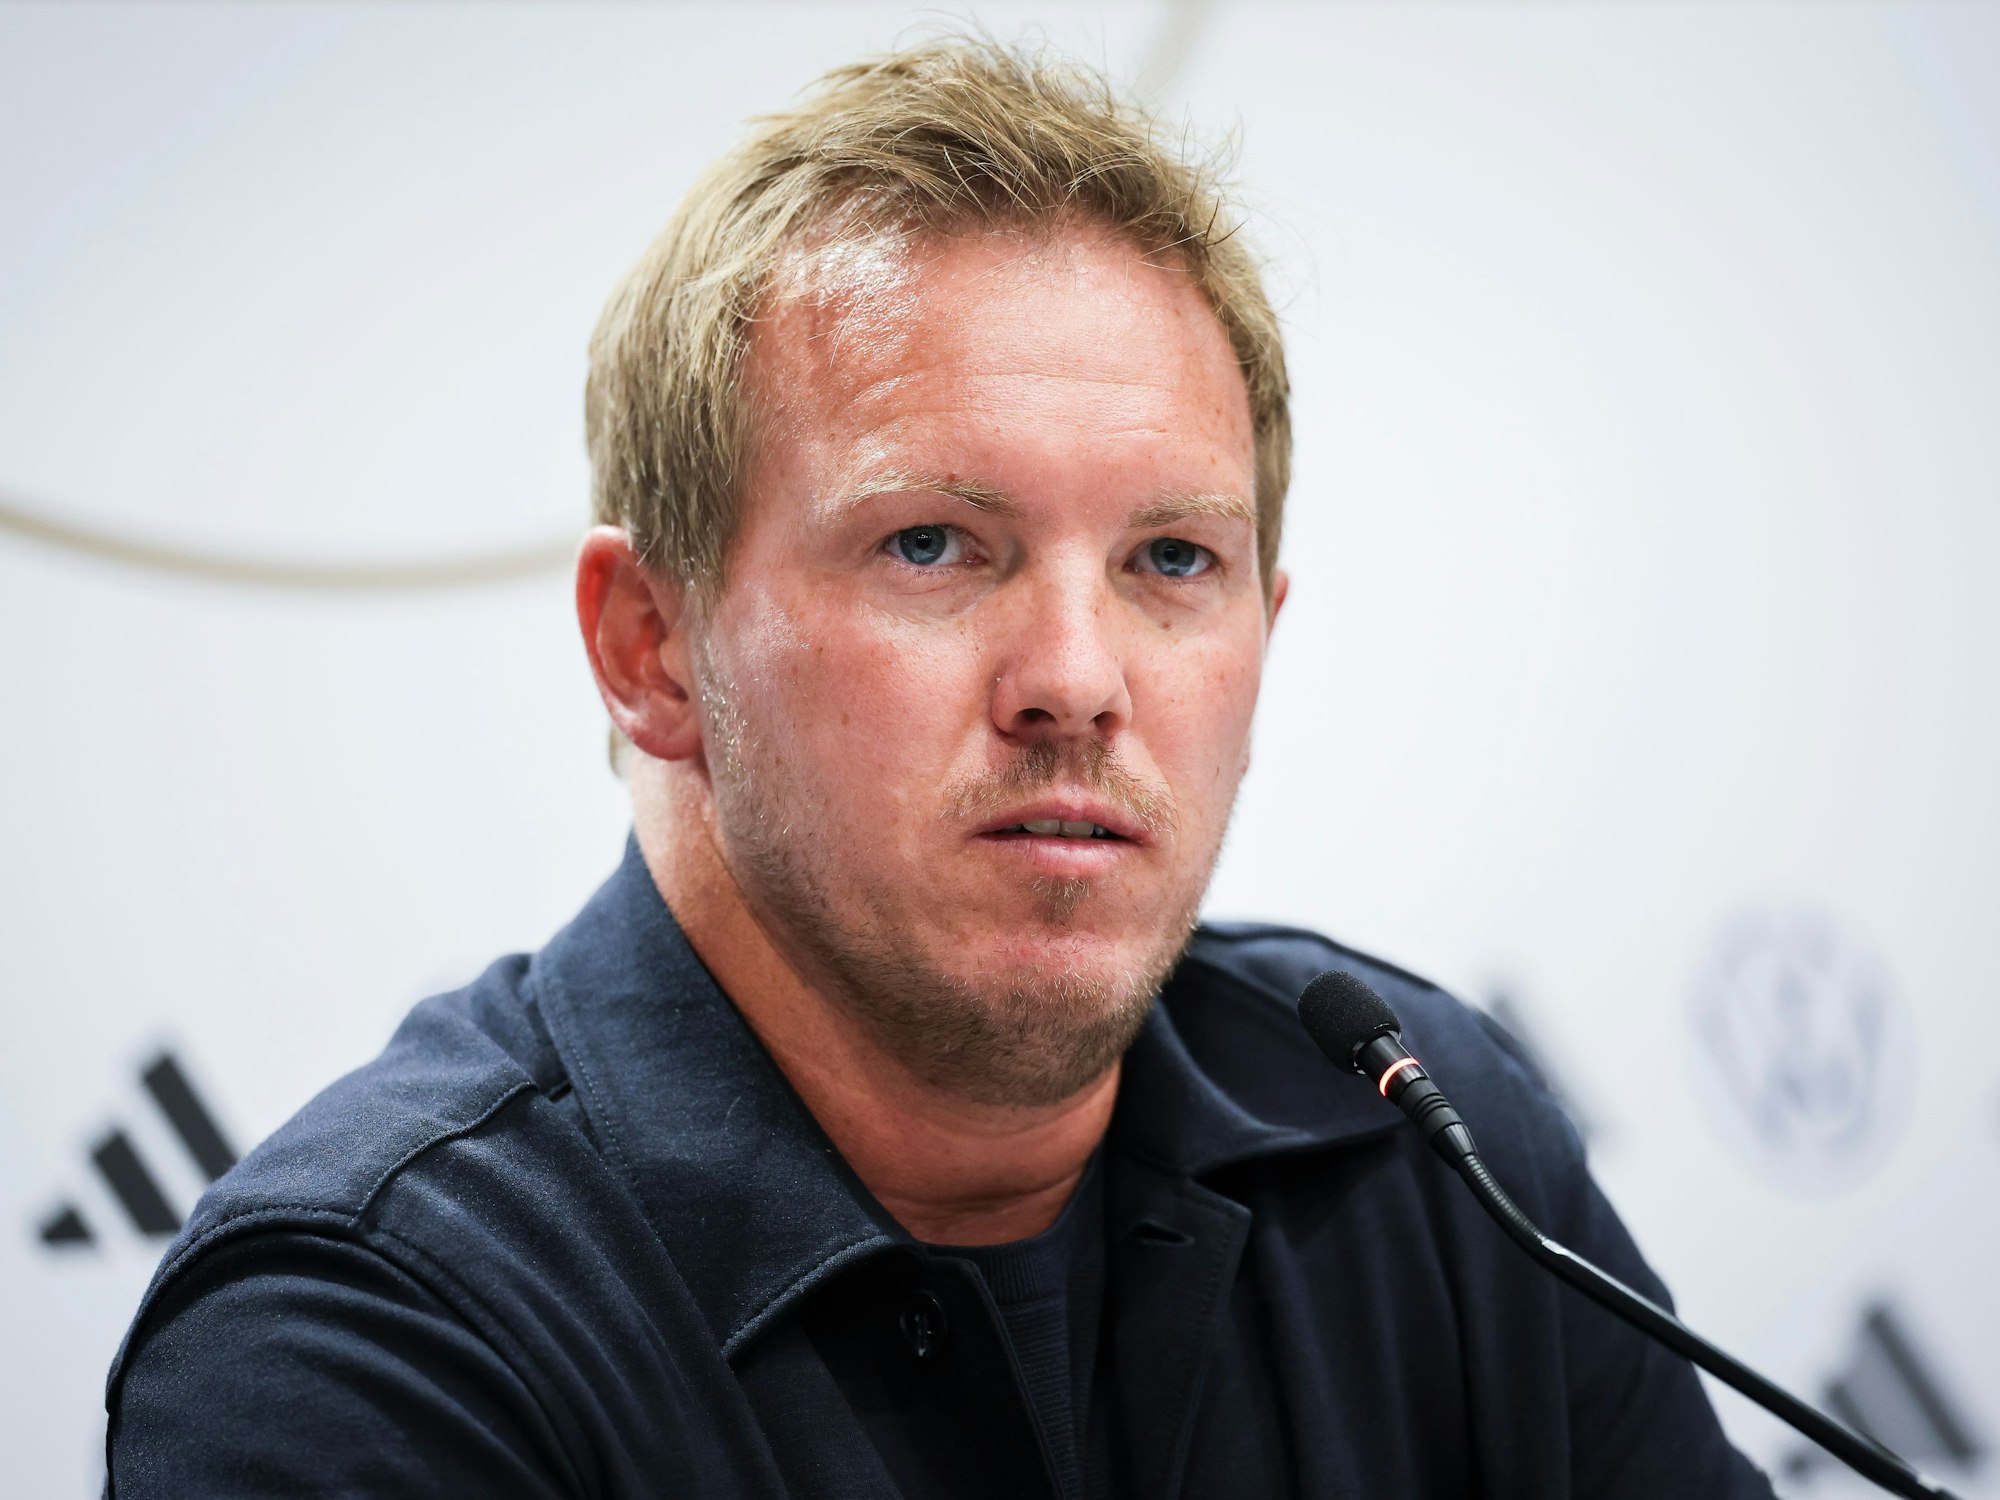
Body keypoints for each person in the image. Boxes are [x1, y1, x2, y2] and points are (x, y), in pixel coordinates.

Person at [105, 38, 1776, 1499]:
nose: (1075, 681)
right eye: (933, 544)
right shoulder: (366, 1337)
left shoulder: (1422, 1145)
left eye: (1171, 562)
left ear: (1265, 632)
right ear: (651, 649)